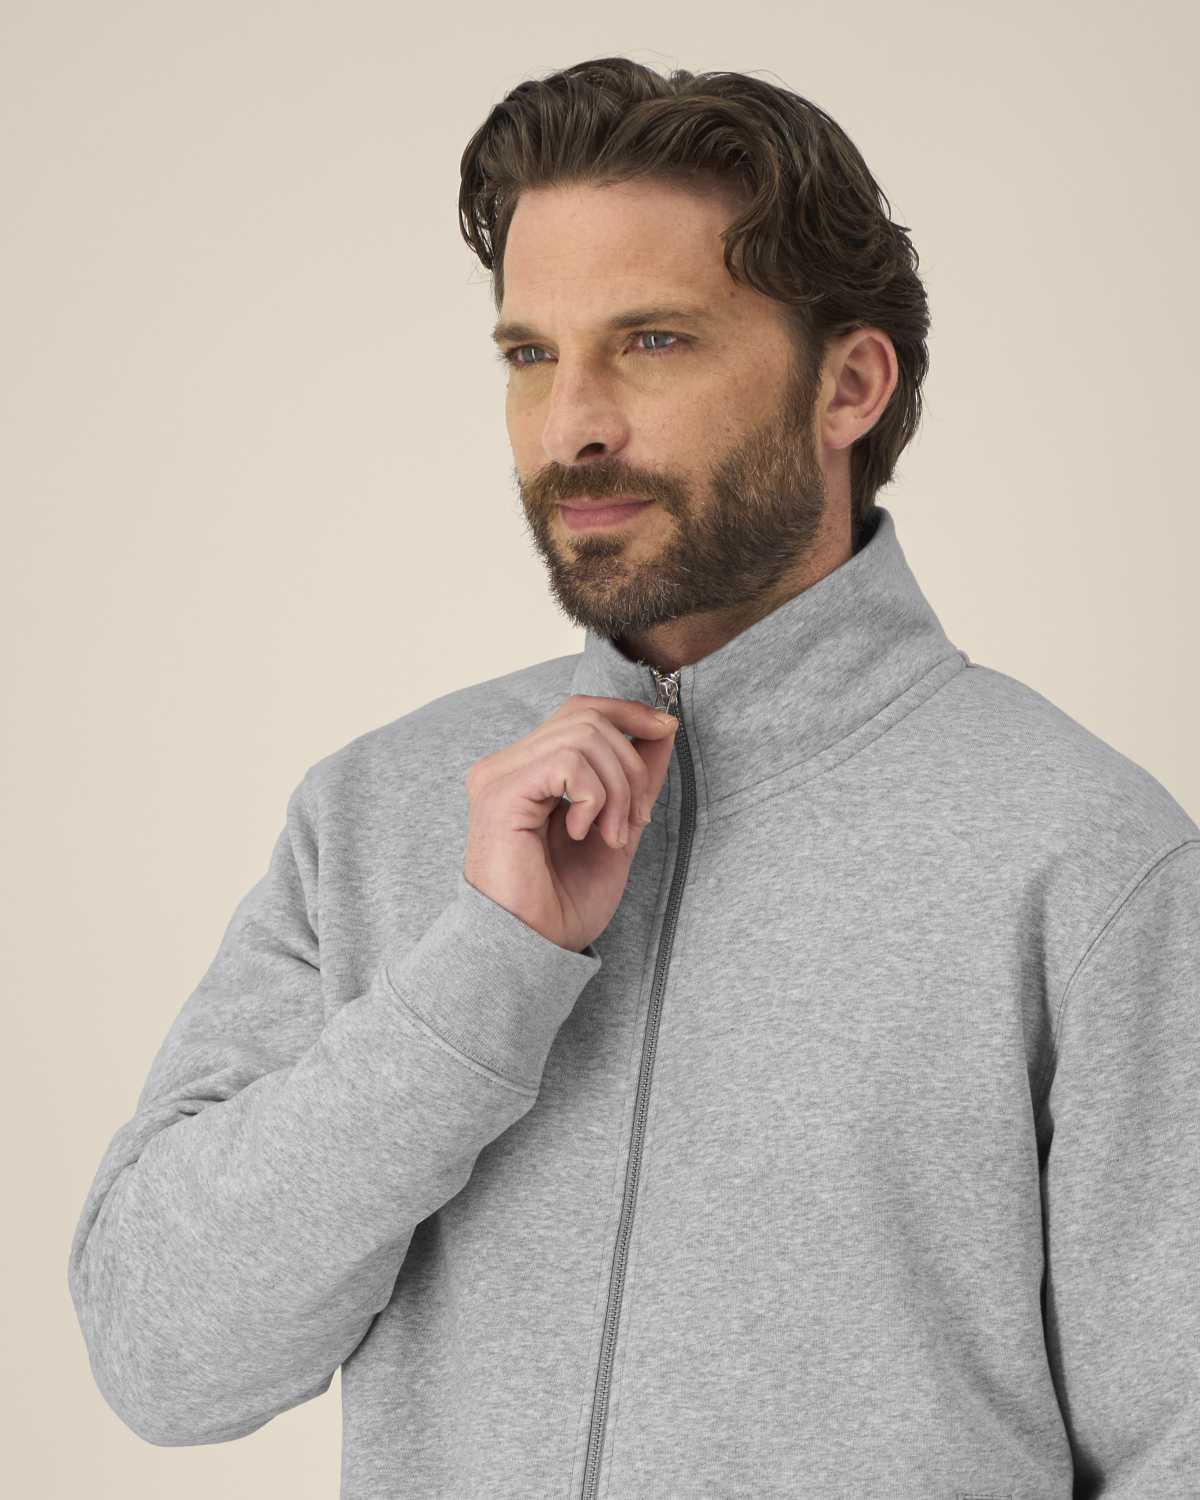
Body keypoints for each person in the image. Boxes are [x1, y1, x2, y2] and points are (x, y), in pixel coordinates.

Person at [68, 56, 1198, 1499]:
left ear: (850, 384)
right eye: (529, 354)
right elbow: (163, 1358)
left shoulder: (1083, 858)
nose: (571, 428)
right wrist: (487, 966)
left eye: (653, 342)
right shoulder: (377, 813)